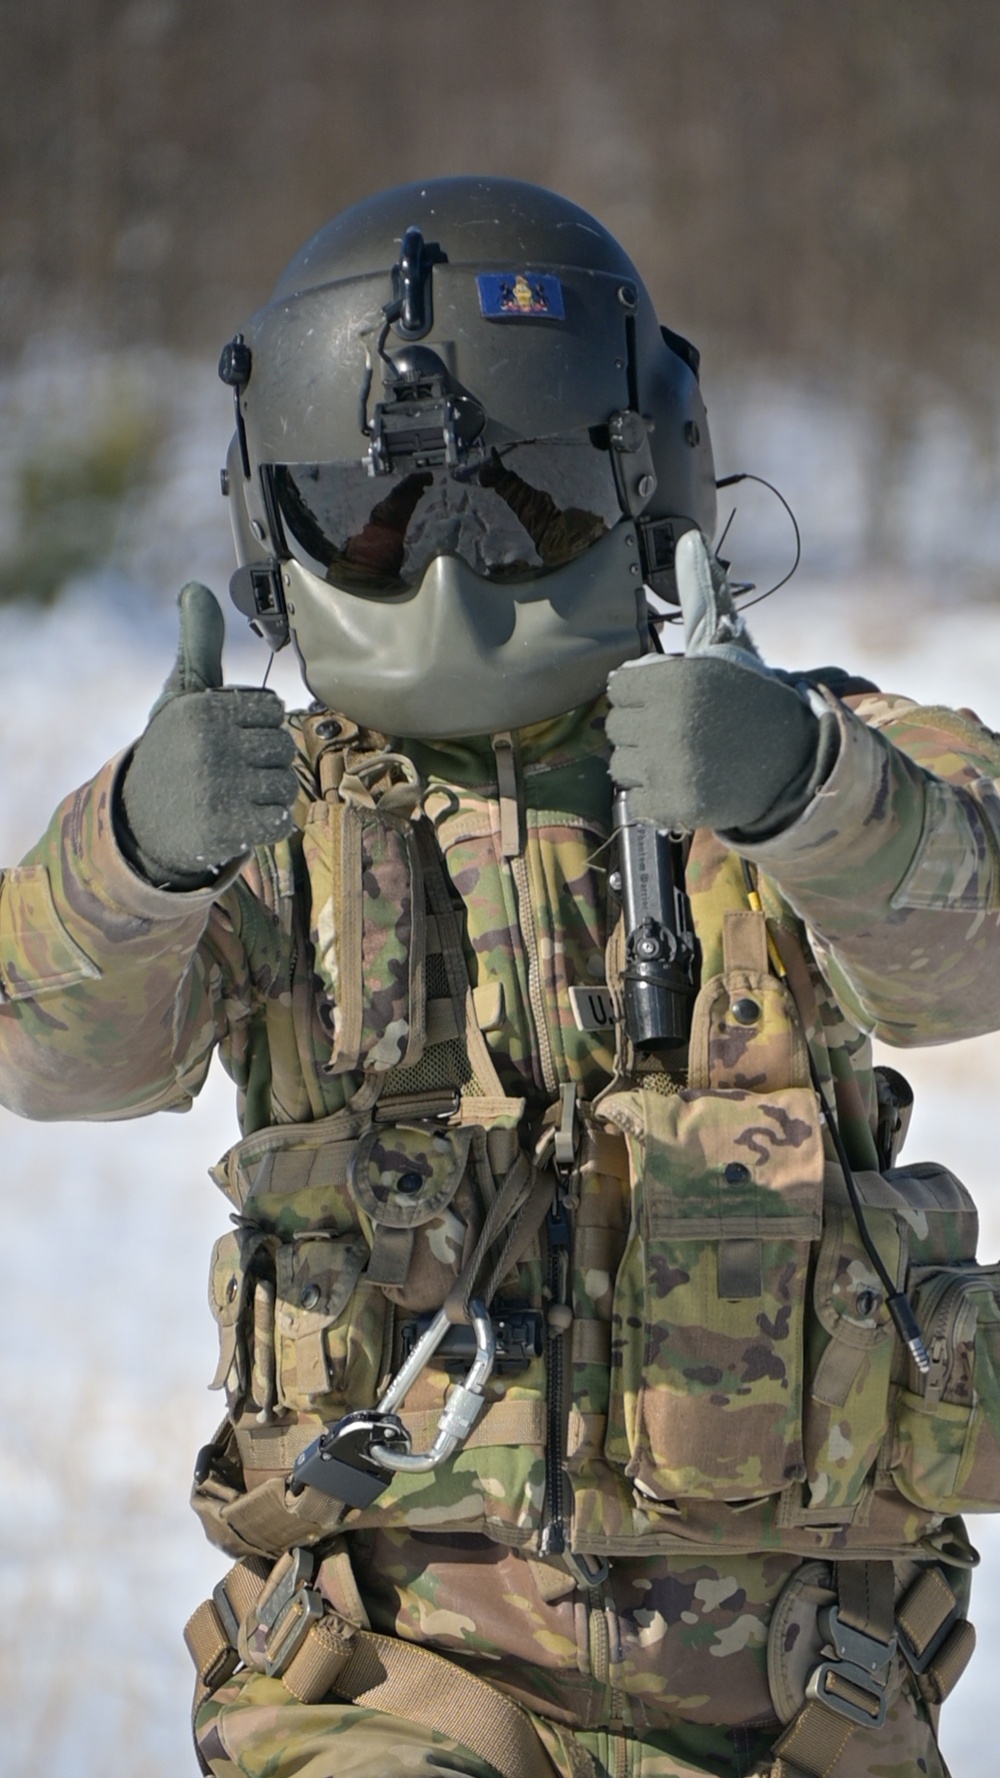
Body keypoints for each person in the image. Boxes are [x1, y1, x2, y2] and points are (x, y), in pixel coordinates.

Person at [1, 175, 998, 1778]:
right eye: (383, 516)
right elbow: (48, 1052)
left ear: (643, 484)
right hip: (387, 1682)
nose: (450, 567)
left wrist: (805, 785)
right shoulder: (275, 823)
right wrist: (132, 851)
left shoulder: (803, 755)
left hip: (808, 1704)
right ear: (289, 519)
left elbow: (969, 944)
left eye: (518, 500)